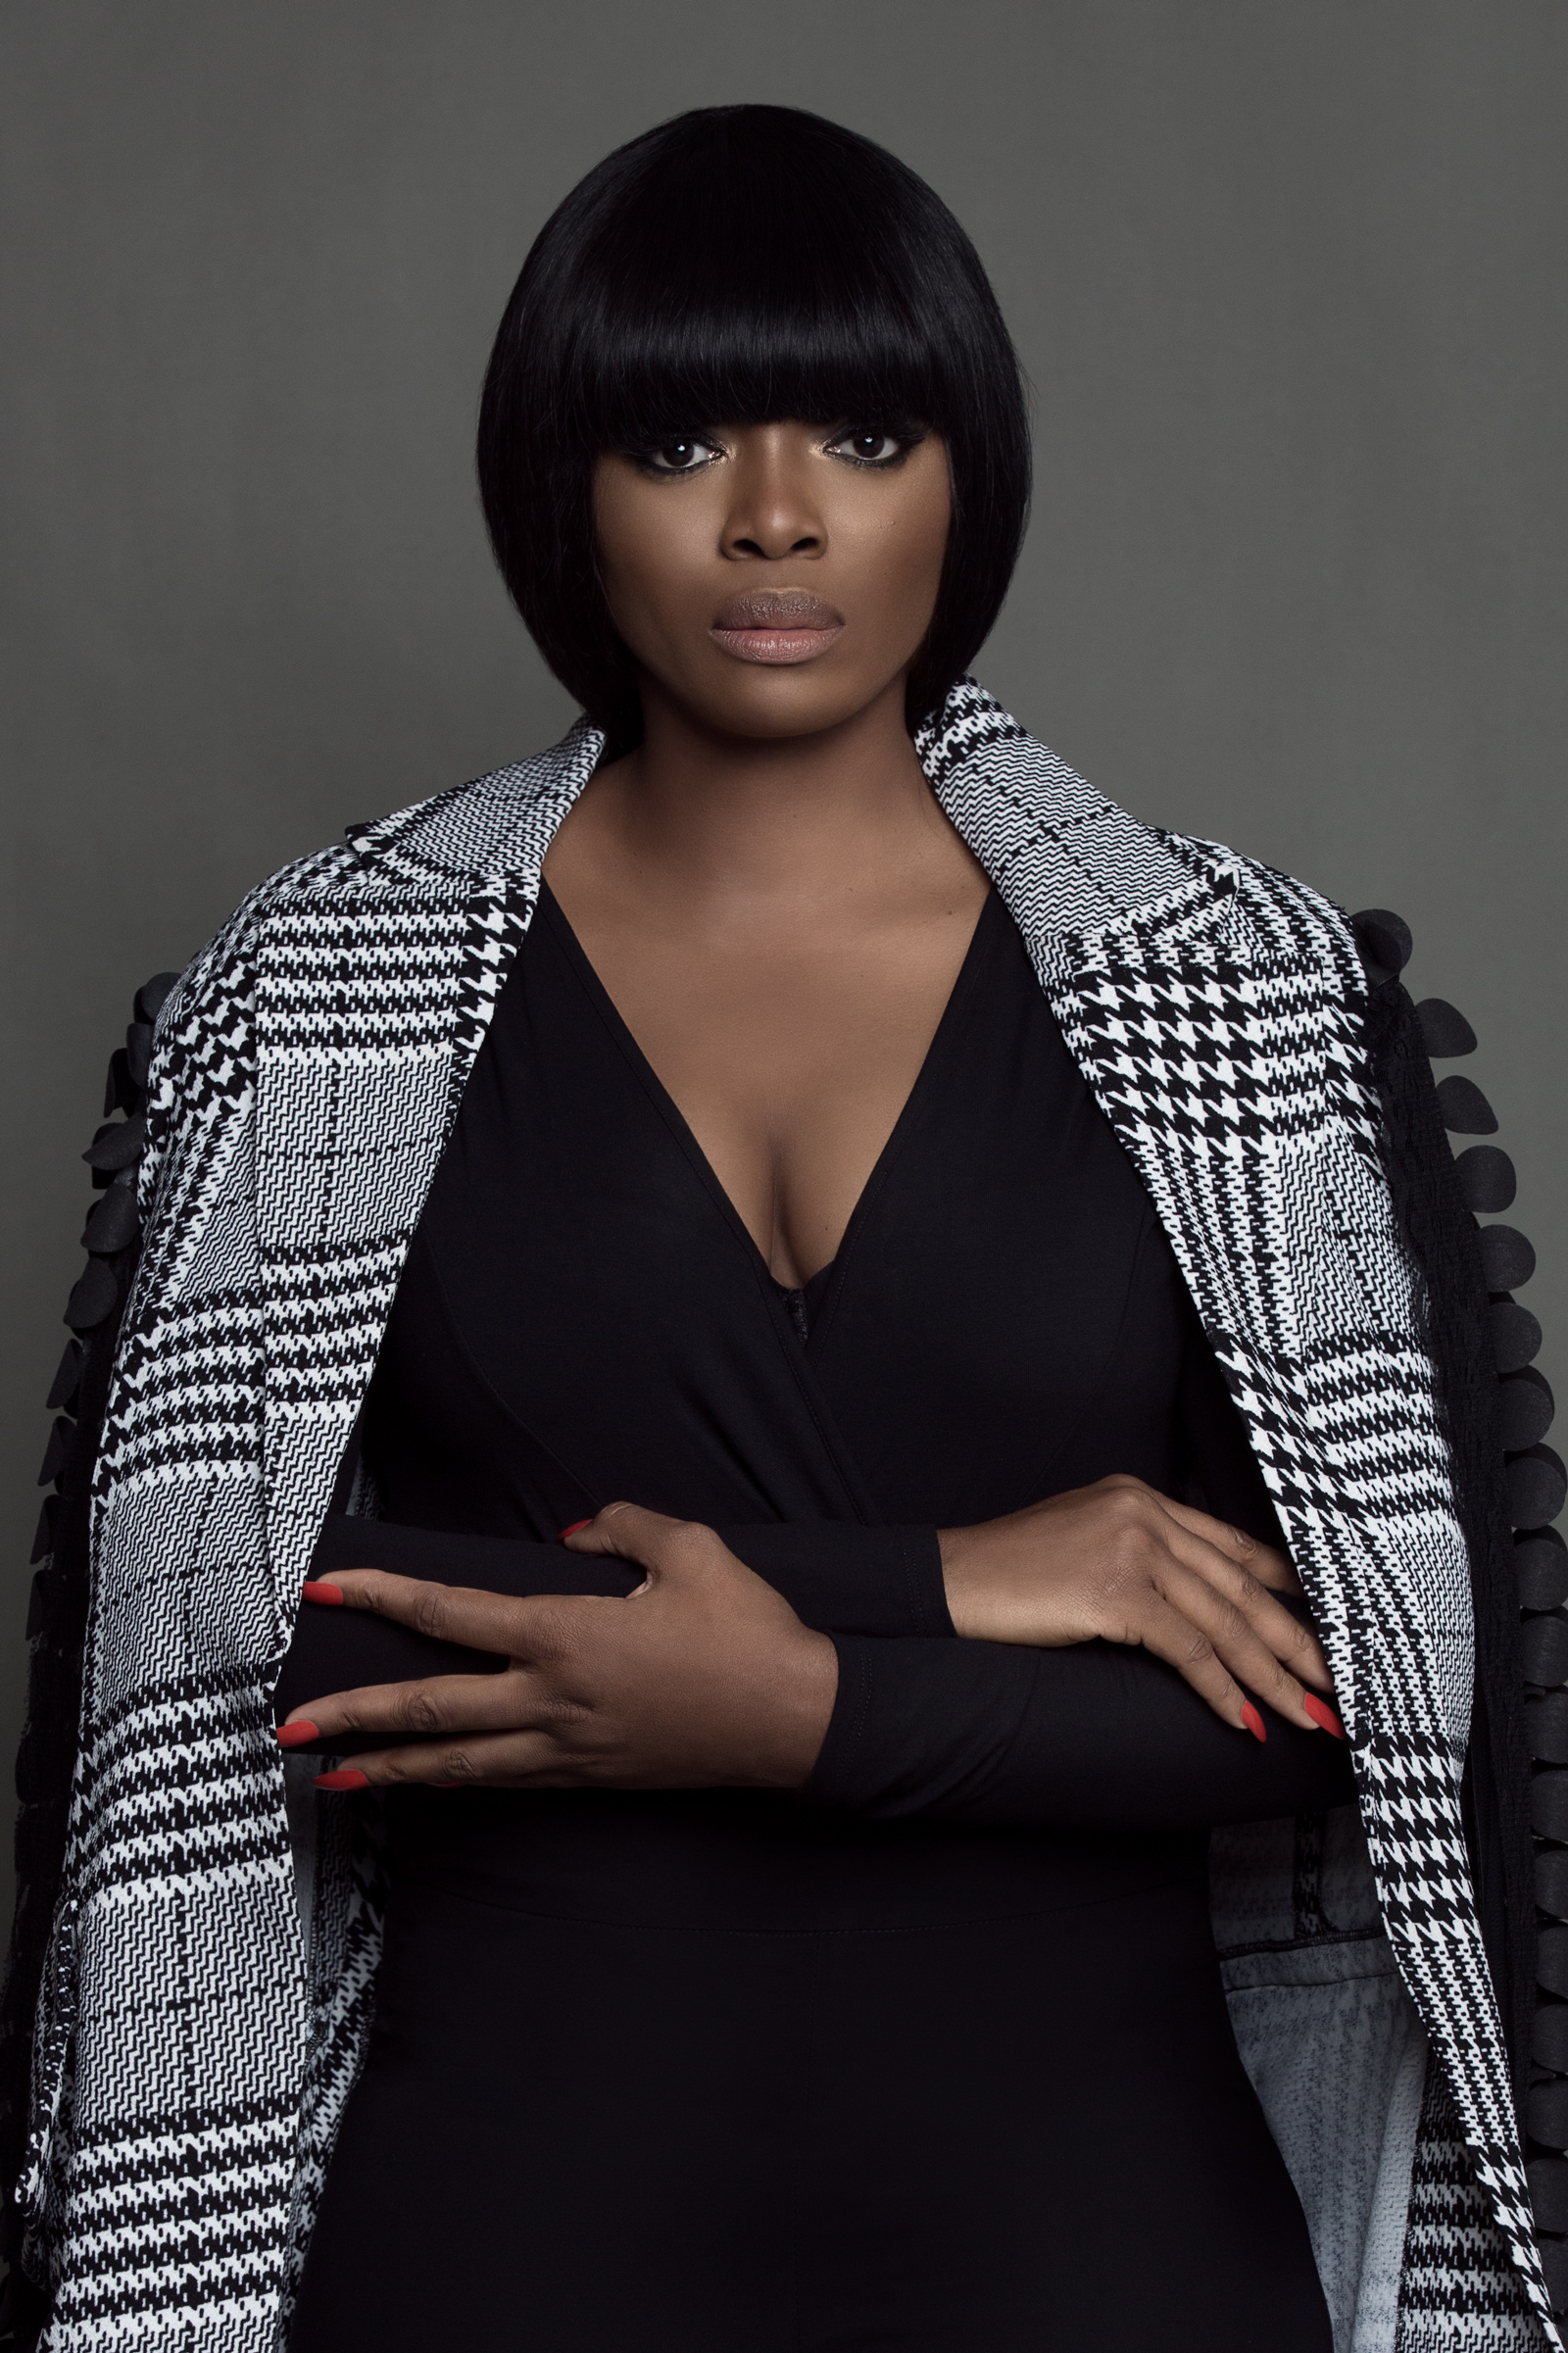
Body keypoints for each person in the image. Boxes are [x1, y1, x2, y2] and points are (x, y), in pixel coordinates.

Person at [1, 103, 1558, 2353]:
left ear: (963, 475)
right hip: (507, 2239)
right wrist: (950, 1578)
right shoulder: (318, 984)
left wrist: (804, 1704)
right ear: (564, 489)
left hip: (1097, 2251)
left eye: (858, 431)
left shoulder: (1238, 986)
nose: (772, 513)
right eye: (674, 442)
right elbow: (246, 1652)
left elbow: (1355, 1710)